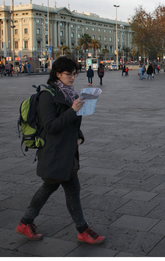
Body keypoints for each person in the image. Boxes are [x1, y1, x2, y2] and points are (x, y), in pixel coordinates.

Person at [15, 56, 105, 245]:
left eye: (74, 74)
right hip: (55, 152)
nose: (72, 77)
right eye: (68, 74)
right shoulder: (48, 96)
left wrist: (79, 134)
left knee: (54, 188)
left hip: (67, 151)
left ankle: (26, 223)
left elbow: (71, 122)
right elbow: (51, 126)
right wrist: (72, 110)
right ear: (57, 74)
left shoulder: (70, 94)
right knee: (64, 189)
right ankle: (82, 230)